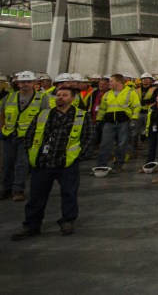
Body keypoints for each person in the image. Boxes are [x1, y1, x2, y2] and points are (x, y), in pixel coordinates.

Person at [11, 86, 93, 240]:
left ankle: (67, 221)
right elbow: (30, 133)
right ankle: (31, 225)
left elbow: (88, 137)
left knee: (69, 194)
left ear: (72, 99)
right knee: (36, 196)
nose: (60, 97)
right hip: (43, 162)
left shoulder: (81, 116)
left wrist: (78, 156)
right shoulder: (44, 114)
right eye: (58, 95)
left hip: (66, 163)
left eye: (64, 95)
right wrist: (30, 151)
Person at [1, 71, 49, 201]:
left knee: (22, 164)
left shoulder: (42, 98)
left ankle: (18, 190)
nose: (25, 84)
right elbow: (2, 115)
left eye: (28, 82)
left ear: (34, 83)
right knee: (6, 163)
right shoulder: (9, 97)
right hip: (9, 135)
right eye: (22, 82)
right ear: (18, 83)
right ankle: (5, 188)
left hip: (28, 137)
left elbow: (45, 118)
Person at [96, 74, 141, 174]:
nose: (109, 83)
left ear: (119, 82)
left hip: (124, 122)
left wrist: (134, 119)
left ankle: (118, 165)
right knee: (105, 144)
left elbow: (136, 107)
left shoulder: (130, 92)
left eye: (112, 81)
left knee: (122, 145)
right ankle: (101, 166)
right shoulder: (107, 94)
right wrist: (99, 120)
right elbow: (102, 108)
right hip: (109, 123)